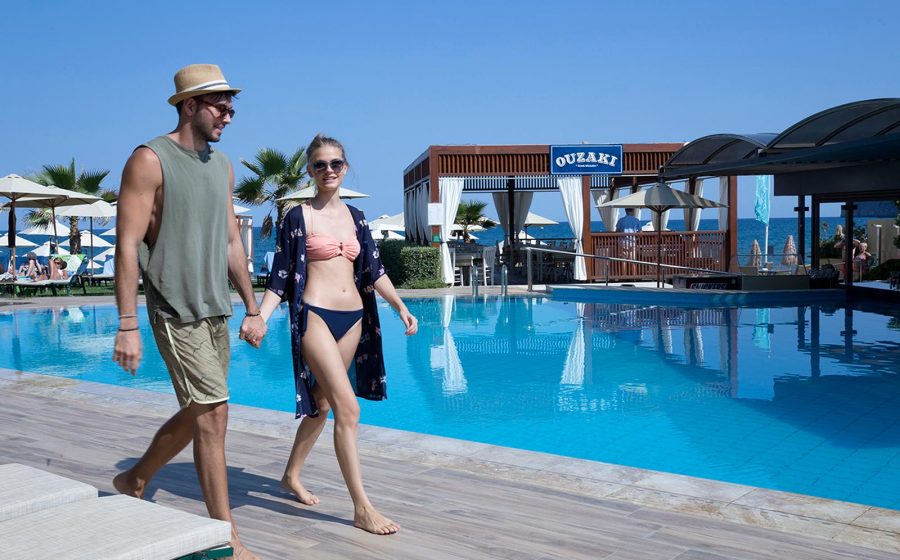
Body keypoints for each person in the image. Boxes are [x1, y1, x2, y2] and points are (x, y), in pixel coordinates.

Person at [110, 64, 264, 560]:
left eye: (231, 107)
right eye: (220, 106)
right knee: (214, 414)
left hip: (215, 308)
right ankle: (226, 536)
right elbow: (127, 245)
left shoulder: (221, 167)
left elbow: (231, 241)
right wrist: (127, 323)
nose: (228, 115)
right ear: (189, 105)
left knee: (204, 412)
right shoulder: (149, 159)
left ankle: (134, 479)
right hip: (174, 307)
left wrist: (252, 306)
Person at [258, 134, 418, 535]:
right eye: (319, 165)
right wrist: (260, 316)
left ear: (345, 167)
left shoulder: (358, 218)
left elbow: (374, 270)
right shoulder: (298, 217)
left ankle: (290, 475)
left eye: (335, 164)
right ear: (310, 171)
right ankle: (362, 507)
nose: (328, 171)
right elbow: (280, 276)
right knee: (349, 410)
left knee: (324, 402)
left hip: (353, 319)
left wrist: (400, 306)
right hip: (315, 317)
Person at [616, 208, 643, 276]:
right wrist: (636, 238)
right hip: (632, 243)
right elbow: (640, 232)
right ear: (633, 211)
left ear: (625, 211)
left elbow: (617, 231)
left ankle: (623, 276)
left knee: (623, 261)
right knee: (633, 261)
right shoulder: (636, 220)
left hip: (623, 243)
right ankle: (634, 276)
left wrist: (622, 233)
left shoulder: (621, 220)